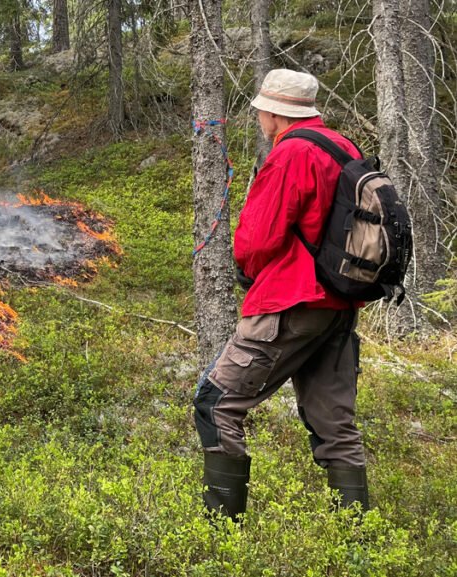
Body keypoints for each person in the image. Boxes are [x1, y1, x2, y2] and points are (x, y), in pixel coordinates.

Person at [192, 69, 368, 521]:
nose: (259, 118)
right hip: (339, 305)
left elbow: (259, 238)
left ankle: (220, 533)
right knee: (335, 424)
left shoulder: (291, 154)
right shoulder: (344, 147)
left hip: (290, 301)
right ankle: (358, 540)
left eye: (261, 111)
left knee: (216, 403)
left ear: (274, 112)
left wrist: (247, 270)